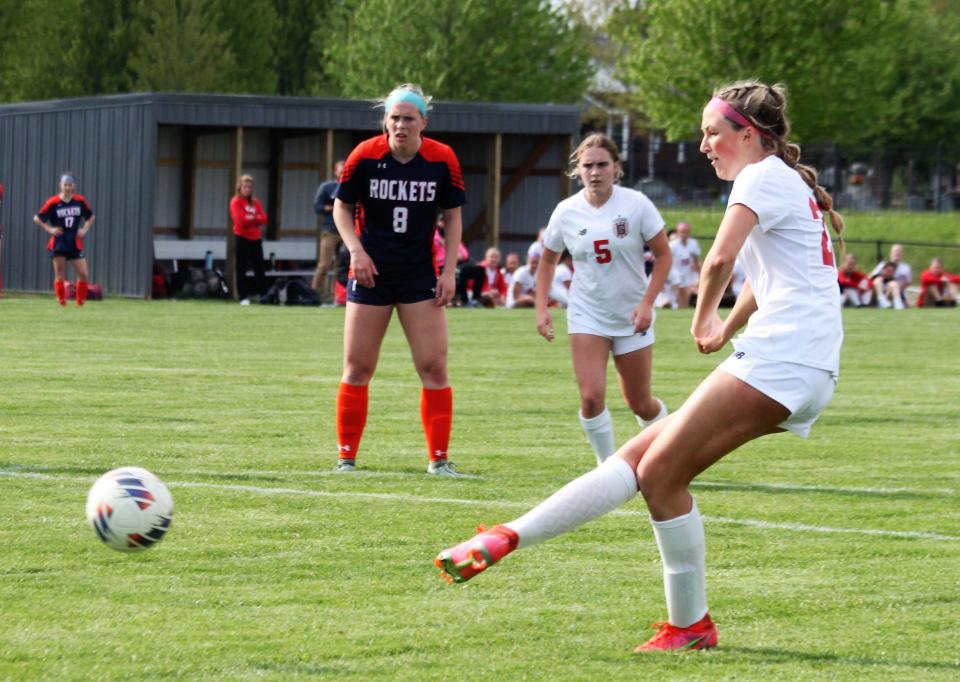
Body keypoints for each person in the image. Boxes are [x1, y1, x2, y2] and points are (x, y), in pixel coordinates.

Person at [436, 80, 844, 653]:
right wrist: (728, 327)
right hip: (795, 358)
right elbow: (767, 276)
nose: (704, 144)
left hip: (788, 358)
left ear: (746, 135)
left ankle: (691, 626)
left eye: (711, 132)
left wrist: (703, 318)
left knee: (660, 474)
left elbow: (720, 260)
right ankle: (507, 537)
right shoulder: (778, 180)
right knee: (641, 456)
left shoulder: (758, 177)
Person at [332, 83, 466, 476]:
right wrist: (356, 251)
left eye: (409, 118)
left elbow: (453, 215)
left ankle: (439, 460)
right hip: (372, 272)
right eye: (395, 118)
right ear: (384, 121)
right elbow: (342, 207)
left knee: (433, 366)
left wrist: (450, 271)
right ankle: (346, 457)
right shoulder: (365, 155)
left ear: (423, 122)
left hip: (418, 274)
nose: (401, 125)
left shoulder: (442, 159)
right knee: (357, 367)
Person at [535, 133, 672, 467]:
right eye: (587, 166)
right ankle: (606, 468)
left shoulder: (636, 204)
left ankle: (667, 454)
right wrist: (541, 308)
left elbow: (664, 256)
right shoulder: (566, 211)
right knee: (591, 397)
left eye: (602, 165)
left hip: (631, 317)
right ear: (577, 171)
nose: (595, 172)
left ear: (616, 168)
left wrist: (647, 304)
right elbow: (548, 261)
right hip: (587, 314)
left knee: (640, 403)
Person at [34, 173, 96, 306]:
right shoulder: (53, 202)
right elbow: (37, 218)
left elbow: (91, 216)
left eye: (70, 185)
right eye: (65, 184)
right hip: (59, 242)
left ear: (74, 186)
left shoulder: (79, 200)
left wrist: (84, 229)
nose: (67, 187)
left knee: (83, 273)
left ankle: (80, 303)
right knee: (60, 274)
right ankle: (62, 302)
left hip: (74, 241)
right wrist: (49, 229)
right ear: (60, 186)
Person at [230, 174, 267, 305]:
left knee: (260, 268)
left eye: (250, 187)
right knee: (241, 268)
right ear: (240, 187)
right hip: (242, 238)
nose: (247, 189)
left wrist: (252, 218)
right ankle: (243, 296)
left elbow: (264, 218)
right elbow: (240, 221)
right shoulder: (236, 202)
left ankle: (263, 295)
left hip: (255, 238)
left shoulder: (255, 202)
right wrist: (253, 218)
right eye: (245, 186)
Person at [311, 159, 345, 299]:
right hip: (330, 231)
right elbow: (317, 207)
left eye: (345, 169)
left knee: (341, 265)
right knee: (324, 264)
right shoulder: (327, 187)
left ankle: (336, 294)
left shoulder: (351, 186)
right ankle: (314, 294)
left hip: (345, 232)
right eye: (340, 170)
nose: (342, 172)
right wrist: (330, 207)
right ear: (335, 171)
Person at [669, 221, 701, 307]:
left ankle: (684, 307)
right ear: (678, 233)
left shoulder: (693, 244)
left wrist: (700, 275)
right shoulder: (672, 245)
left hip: (689, 274)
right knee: (681, 293)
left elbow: (696, 261)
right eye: (682, 232)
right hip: (676, 273)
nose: (684, 234)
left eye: (686, 232)